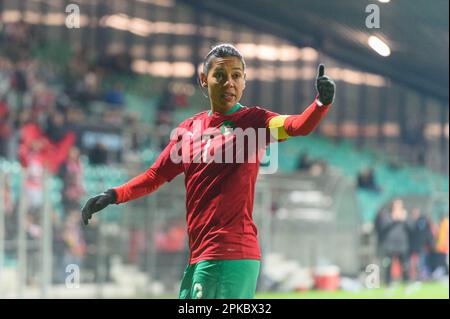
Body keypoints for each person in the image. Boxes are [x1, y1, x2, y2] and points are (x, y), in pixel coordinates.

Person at [81, 43, 335, 299]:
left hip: (230, 253)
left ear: (244, 81)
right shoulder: (189, 130)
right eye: (220, 75)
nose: (229, 83)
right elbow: (155, 175)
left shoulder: (256, 123)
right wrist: (114, 195)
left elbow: (296, 126)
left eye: (236, 76)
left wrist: (320, 104)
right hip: (201, 255)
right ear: (204, 79)